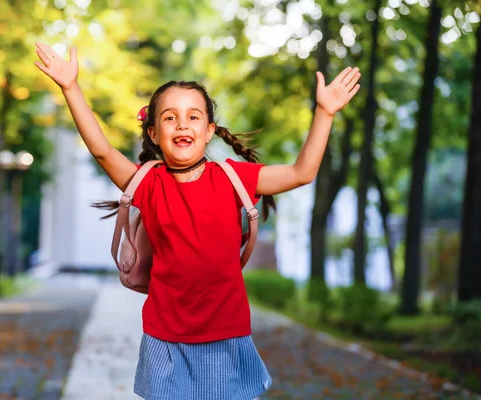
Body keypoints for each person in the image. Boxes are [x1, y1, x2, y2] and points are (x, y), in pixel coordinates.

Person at [35, 42, 361, 400]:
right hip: (164, 336)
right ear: (154, 134)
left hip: (225, 335)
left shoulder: (233, 178)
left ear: (209, 130)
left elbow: (302, 172)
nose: (182, 124)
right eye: (170, 117)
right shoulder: (147, 182)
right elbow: (101, 149)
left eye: (193, 116)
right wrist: (71, 88)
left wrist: (325, 113)